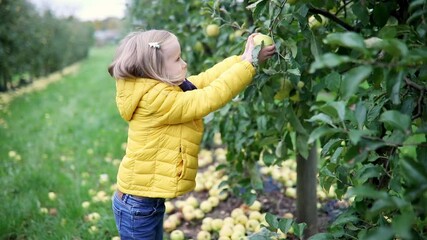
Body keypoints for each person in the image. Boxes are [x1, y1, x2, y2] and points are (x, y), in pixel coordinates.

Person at [108, 29, 276, 239]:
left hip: (144, 200)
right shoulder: (156, 101)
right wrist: (249, 65)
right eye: (177, 59)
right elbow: (208, 97)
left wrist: (240, 59)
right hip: (137, 206)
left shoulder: (162, 90)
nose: (184, 63)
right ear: (156, 70)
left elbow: (204, 80)